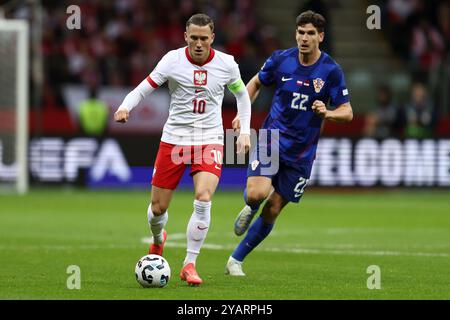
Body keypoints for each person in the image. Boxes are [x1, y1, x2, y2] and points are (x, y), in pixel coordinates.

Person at [114, 13, 251, 285]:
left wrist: (244, 132)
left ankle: (190, 264)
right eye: (194, 38)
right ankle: (157, 238)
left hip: (209, 138)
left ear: (212, 38)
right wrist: (125, 106)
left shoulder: (226, 64)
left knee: (203, 197)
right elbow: (144, 87)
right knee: (157, 208)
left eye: (204, 38)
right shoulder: (172, 60)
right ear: (185, 37)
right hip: (174, 138)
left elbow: (242, 96)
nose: (199, 43)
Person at [225, 11, 353, 276]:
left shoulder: (330, 71)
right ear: (296, 33)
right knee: (257, 195)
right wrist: (241, 113)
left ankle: (235, 260)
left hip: (302, 152)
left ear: (321, 36)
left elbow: (347, 111)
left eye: (310, 33)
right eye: (300, 32)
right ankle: (250, 206)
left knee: (273, 208)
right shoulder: (281, 60)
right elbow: (256, 83)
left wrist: (327, 113)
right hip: (272, 138)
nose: (304, 38)